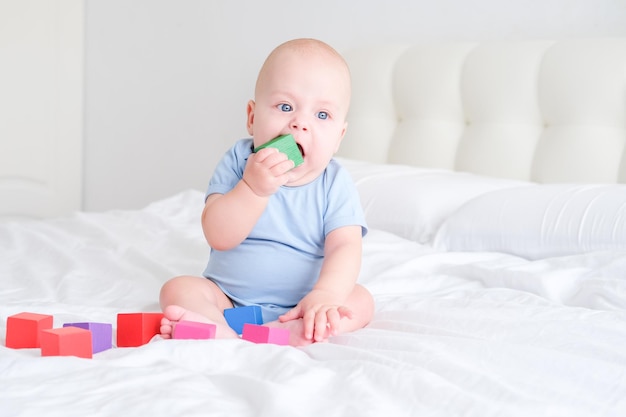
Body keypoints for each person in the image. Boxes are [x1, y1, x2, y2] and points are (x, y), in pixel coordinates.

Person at [159, 38, 374, 346]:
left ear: (339, 137)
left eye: (322, 115)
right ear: (252, 116)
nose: (300, 123)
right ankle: (220, 329)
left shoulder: (334, 182)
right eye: (285, 107)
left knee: (360, 301)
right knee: (177, 288)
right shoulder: (238, 161)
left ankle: (295, 329)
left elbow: (345, 248)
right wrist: (253, 189)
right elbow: (218, 235)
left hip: (304, 304)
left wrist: (324, 296)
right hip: (230, 300)